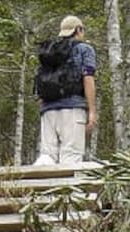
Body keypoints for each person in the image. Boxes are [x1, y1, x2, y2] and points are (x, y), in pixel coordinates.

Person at [33, 15, 97, 165]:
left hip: (48, 109)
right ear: (78, 30)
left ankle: (39, 188)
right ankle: (68, 189)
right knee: (71, 155)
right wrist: (92, 110)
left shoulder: (51, 50)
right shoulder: (84, 49)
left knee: (47, 156)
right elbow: (88, 78)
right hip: (73, 108)